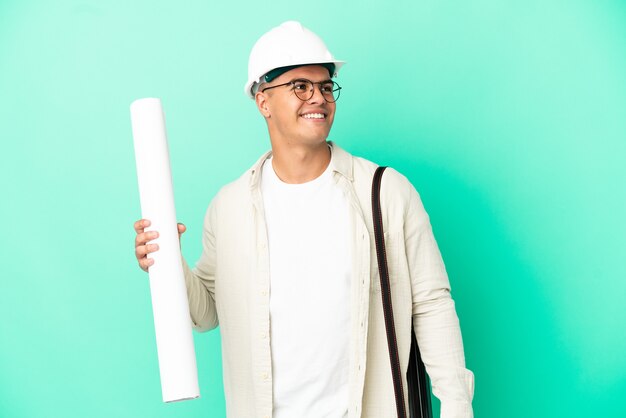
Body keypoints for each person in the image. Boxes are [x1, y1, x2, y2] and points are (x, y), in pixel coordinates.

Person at [134, 21, 474, 418]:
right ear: (263, 101)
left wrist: (456, 406)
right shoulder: (228, 207)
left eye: (326, 86)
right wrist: (167, 261)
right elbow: (207, 311)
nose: (318, 98)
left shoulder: (385, 192)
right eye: (301, 86)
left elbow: (432, 304)